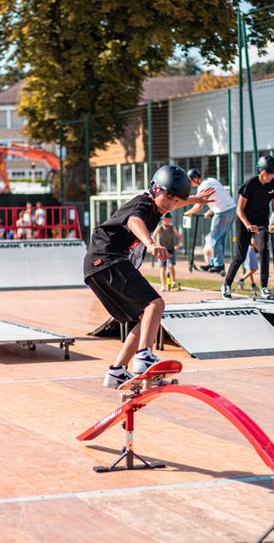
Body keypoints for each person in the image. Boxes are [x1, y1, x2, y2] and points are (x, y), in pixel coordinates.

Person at [84, 165, 213, 387]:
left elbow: (175, 201)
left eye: (175, 202)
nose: (170, 205)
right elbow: (134, 221)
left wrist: (195, 199)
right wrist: (151, 244)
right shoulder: (142, 203)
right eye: (168, 199)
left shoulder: (158, 206)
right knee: (155, 303)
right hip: (107, 259)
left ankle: (117, 371)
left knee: (144, 318)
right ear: (155, 189)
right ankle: (144, 357)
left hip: (96, 268)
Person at [221, 155, 274, 299]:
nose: (270, 176)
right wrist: (248, 225)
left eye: (272, 174)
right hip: (244, 220)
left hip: (261, 220)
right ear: (260, 171)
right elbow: (239, 209)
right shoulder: (250, 184)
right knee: (240, 256)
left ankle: (264, 287)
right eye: (267, 173)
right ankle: (226, 284)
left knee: (264, 250)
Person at [185, 169, 237, 273]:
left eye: (191, 182)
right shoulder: (212, 180)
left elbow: (198, 205)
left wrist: (189, 212)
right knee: (221, 238)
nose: (191, 185)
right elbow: (220, 196)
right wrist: (210, 210)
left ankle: (218, 265)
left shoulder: (202, 187)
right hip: (231, 209)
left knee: (214, 238)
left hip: (222, 212)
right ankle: (214, 262)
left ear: (195, 179)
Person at [152, 212, 181, 291]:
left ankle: (173, 281)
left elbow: (179, 237)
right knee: (163, 267)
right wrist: (157, 246)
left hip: (171, 249)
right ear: (162, 220)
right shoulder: (159, 228)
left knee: (171, 266)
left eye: (168, 219)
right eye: (165, 219)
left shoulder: (172, 228)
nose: (167, 221)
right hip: (162, 250)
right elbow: (153, 237)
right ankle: (163, 285)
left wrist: (177, 245)